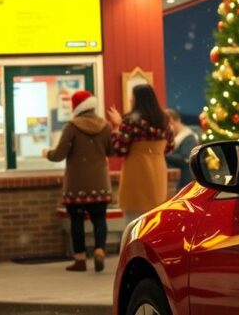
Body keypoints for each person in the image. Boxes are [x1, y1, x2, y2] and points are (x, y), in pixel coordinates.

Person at [43, 90, 113, 273]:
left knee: (77, 221)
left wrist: (47, 154)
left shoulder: (72, 127)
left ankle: (80, 260)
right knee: (99, 219)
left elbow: (59, 155)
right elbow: (111, 151)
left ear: (76, 107)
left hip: (77, 184)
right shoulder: (105, 126)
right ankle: (99, 250)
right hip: (100, 183)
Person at [108, 84, 174, 226]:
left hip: (136, 174)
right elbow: (170, 147)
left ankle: (134, 248)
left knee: (133, 224)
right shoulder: (164, 121)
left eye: (132, 97)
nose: (130, 100)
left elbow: (120, 149)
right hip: (157, 174)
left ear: (137, 99)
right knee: (155, 223)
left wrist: (115, 129)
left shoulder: (131, 121)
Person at [165, 108, 198, 190]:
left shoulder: (188, 137)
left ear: (171, 120)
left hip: (185, 182)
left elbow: (185, 159)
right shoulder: (177, 137)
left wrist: (164, 156)